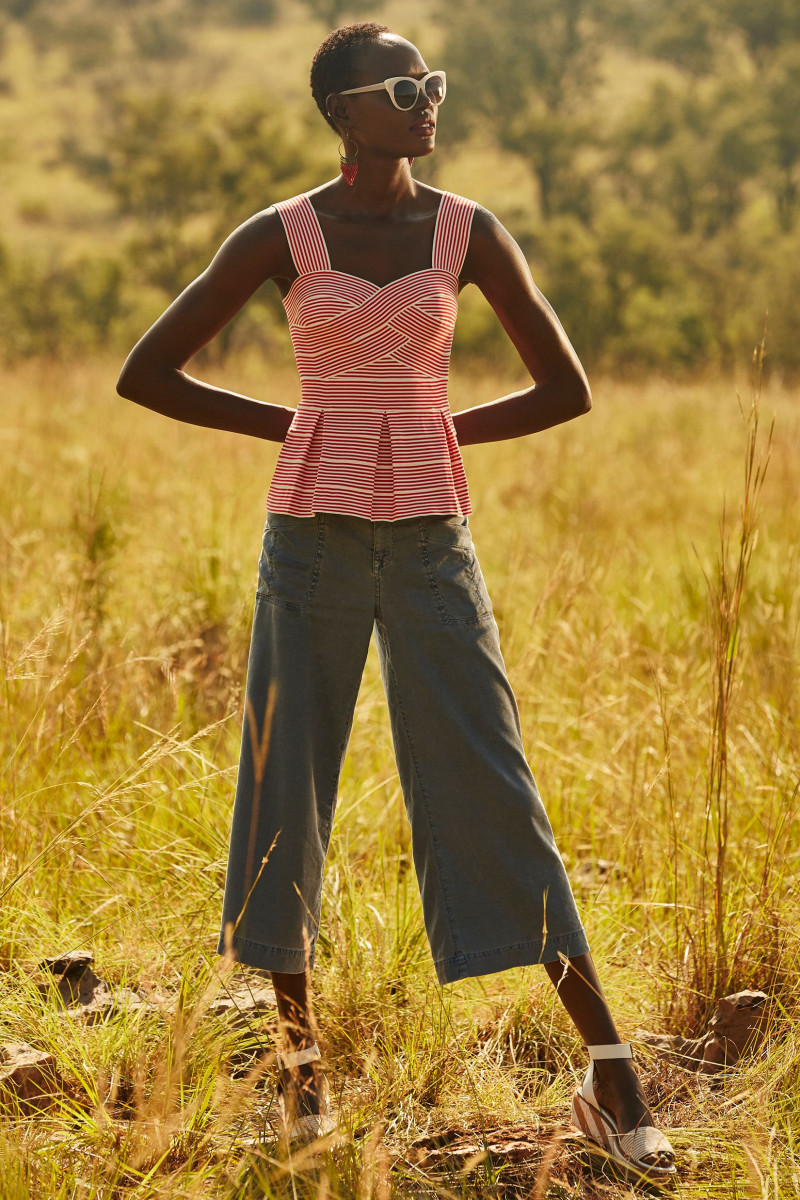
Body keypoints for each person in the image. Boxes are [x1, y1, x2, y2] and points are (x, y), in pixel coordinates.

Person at [116, 21, 676, 1182]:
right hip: (308, 545)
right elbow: (147, 371)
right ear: (342, 114)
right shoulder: (278, 235)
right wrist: (295, 424)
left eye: (432, 82)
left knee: (492, 788)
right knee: (286, 795)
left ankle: (610, 1073)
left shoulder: (466, 230)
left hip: (430, 548)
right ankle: (301, 1073)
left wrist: (431, 430)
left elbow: (563, 386)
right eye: (400, 87)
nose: (426, 100)